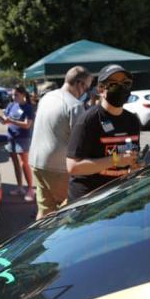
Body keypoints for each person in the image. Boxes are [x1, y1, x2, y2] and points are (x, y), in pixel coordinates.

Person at [66, 64, 141, 203]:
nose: (121, 88)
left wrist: (136, 165)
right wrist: (116, 159)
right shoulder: (88, 121)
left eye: (126, 83)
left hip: (119, 196)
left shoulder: (133, 121)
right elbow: (73, 167)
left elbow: (132, 160)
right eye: (113, 84)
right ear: (101, 89)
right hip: (88, 201)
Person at [29, 66, 92, 219]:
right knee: (68, 212)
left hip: (37, 162)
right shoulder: (74, 106)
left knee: (45, 211)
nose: (86, 92)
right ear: (79, 83)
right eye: (87, 87)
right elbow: (82, 143)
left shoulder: (47, 97)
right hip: (57, 168)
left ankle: (39, 241)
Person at [0, 85, 35, 202]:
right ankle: (20, 187)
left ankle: (30, 189)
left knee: (24, 164)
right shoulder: (11, 105)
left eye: (16, 95)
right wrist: (3, 120)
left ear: (23, 95)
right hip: (11, 138)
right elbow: (6, 118)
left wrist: (10, 121)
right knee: (16, 164)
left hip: (23, 139)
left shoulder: (28, 108)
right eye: (13, 95)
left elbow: (27, 125)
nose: (14, 97)